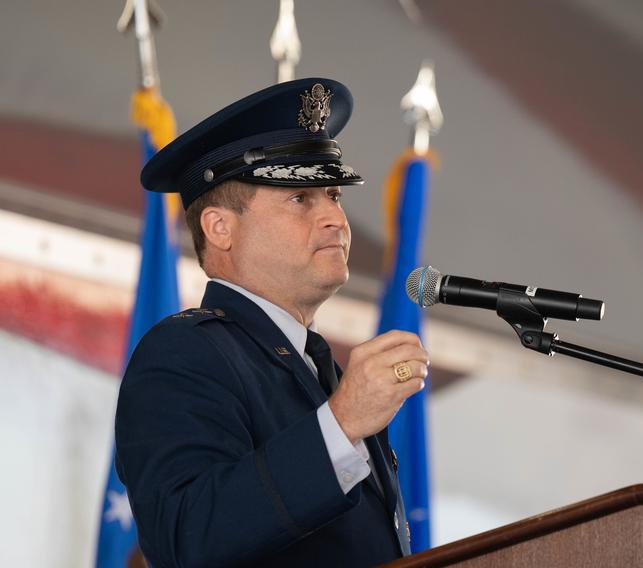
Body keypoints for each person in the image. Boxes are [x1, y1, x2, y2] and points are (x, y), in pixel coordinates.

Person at [115, 77, 429, 567]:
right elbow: (187, 538)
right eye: (300, 199)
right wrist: (342, 423)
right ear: (220, 228)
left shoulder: (317, 367)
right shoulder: (183, 353)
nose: (334, 219)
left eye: (334, 195)